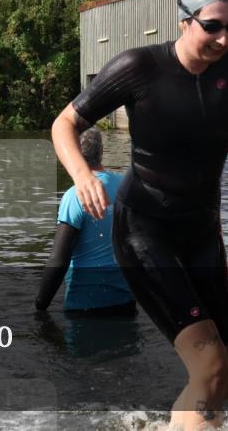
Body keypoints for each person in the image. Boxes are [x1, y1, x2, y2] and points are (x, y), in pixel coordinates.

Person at [50, 0, 228, 431]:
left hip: (202, 230)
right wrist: (82, 174)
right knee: (207, 369)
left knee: (222, 379)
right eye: (213, 26)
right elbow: (64, 123)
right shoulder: (138, 68)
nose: (225, 37)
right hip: (144, 229)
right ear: (184, 22)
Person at [35, 127, 135, 315]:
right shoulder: (126, 187)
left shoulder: (74, 196)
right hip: (125, 301)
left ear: (71, 154)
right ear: (101, 153)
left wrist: (40, 307)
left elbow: (58, 260)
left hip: (84, 304)